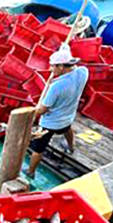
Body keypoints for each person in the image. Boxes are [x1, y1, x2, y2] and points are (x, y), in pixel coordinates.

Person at [25, 45, 89, 179]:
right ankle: (71, 147)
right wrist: (65, 49)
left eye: (53, 66)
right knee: (67, 129)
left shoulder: (56, 87)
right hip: (68, 116)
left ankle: (30, 171)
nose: (50, 69)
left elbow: (42, 109)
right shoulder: (83, 72)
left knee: (38, 148)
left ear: (61, 67)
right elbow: (75, 68)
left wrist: (32, 113)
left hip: (50, 123)